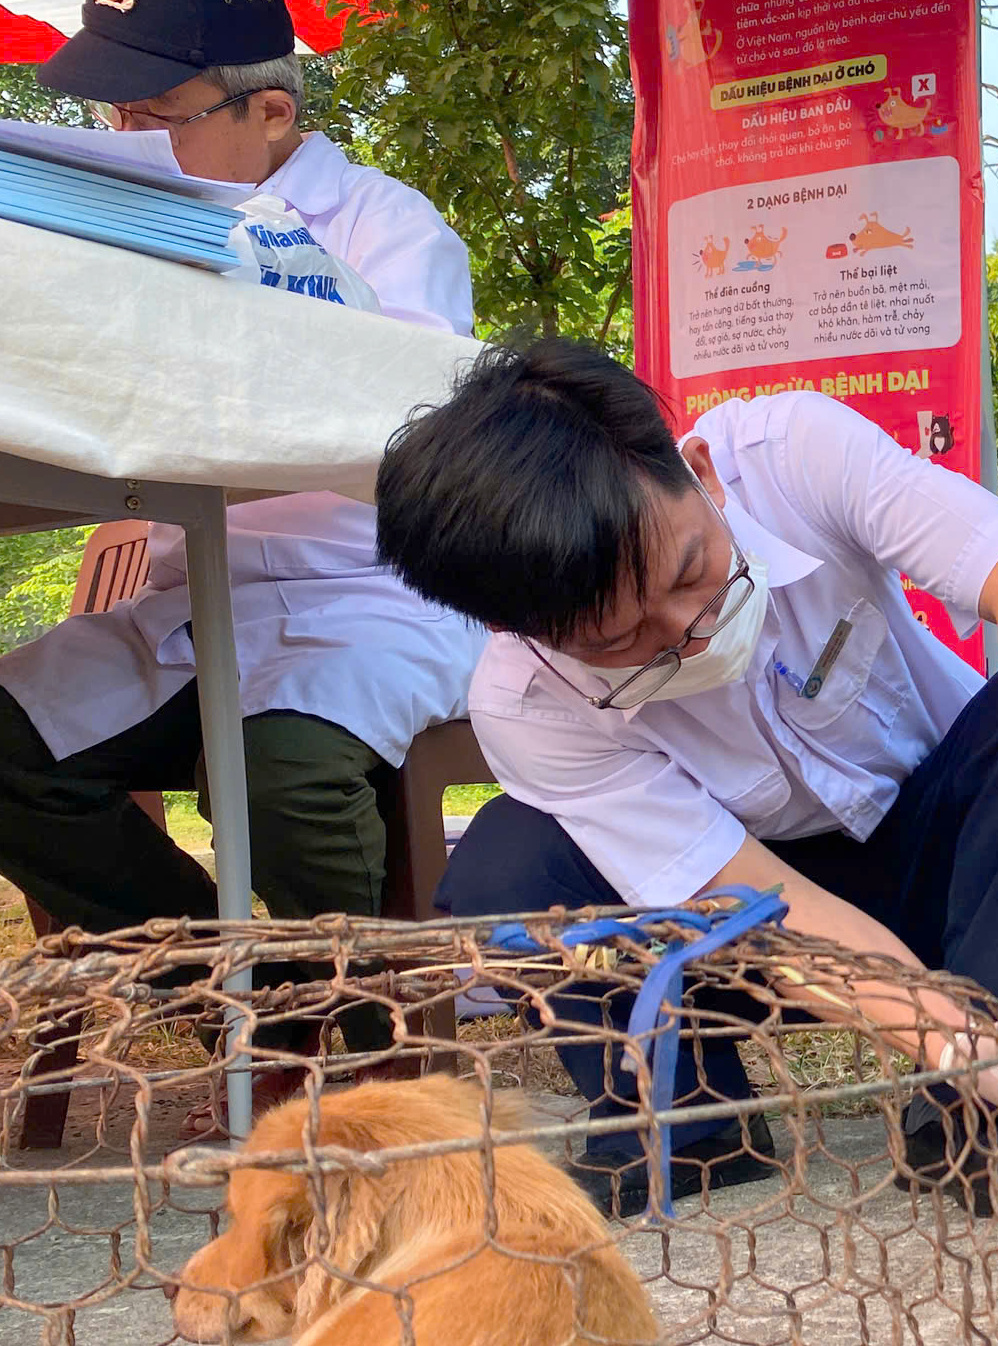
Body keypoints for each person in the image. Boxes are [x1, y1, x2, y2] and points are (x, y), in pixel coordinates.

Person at [373, 342, 998, 1221]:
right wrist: (948, 1037)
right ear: (523, 633)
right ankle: (685, 1120)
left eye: (689, 572)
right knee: (508, 861)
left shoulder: (793, 455)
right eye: (621, 641)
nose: (692, 631)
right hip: (744, 935)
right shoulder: (527, 707)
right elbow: (757, 907)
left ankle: (967, 1117)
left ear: (700, 472)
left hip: (951, 868)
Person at [0, 0, 478, 1111]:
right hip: (187, 605)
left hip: (364, 595)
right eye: (112, 119)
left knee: (279, 775)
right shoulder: (116, 228)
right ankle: (248, 998)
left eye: (153, 118)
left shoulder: (387, 230)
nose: (123, 145)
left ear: (268, 111)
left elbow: (400, 430)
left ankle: (373, 1059)